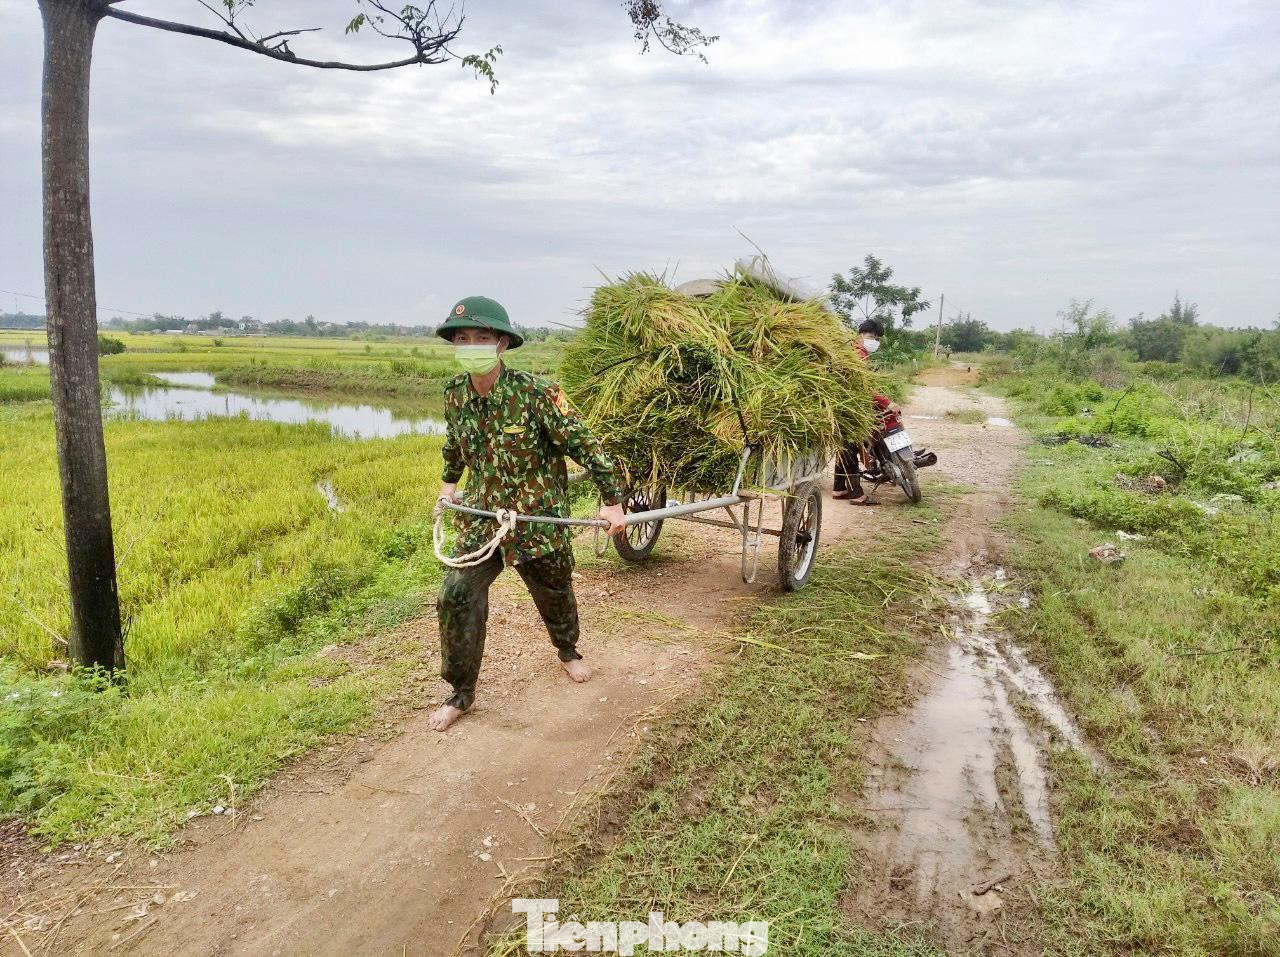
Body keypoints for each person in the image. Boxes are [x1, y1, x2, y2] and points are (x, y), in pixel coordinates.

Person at [429, 296, 627, 731]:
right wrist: (449, 483)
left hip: (538, 518)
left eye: (482, 337)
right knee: (456, 593)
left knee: (554, 592)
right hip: (483, 516)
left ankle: (568, 650)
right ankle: (461, 693)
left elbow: (585, 444)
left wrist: (613, 500)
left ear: (501, 343)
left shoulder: (537, 394)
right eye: (462, 338)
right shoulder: (455, 395)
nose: (471, 345)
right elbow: (453, 443)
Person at [832, 319, 894, 506]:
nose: (874, 341)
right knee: (849, 447)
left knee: (843, 447)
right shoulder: (858, 354)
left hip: (841, 404)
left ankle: (839, 488)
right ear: (862, 334)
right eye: (871, 337)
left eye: (876, 338)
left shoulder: (853, 350)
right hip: (845, 407)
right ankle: (856, 494)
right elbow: (861, 387)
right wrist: (886, 402)